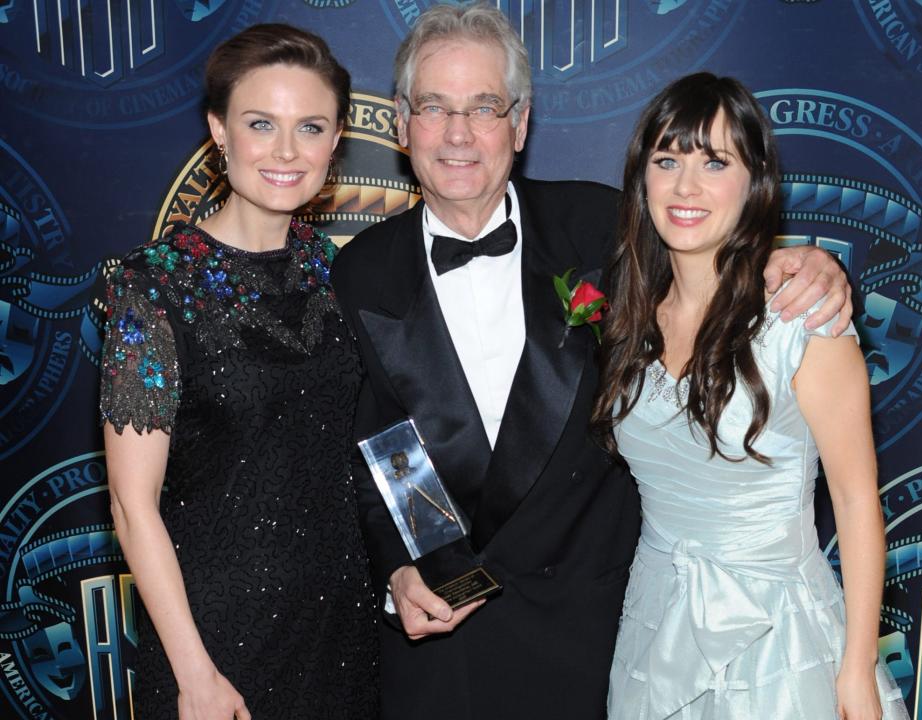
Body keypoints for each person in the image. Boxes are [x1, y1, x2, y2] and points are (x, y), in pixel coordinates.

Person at [332, 4, 852, 718]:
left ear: (518, 124)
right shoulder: (360, 269)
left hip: (597, 636)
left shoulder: (602, 226)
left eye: (484, 107)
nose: (458, 134)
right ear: (400, 122)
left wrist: (802, 259)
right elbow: (386, 441)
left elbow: (711, 255)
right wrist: (406, 563)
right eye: (433, 107)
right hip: (443, 642)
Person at [595, 72, 909, 719]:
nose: (686, 186)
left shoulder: (802, 321)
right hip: (653, 634)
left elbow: (853, 502)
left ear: (752, 182)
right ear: (641, 178)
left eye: (714, 161)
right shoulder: (627, 318)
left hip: (779, 643)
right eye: (667, 159)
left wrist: (855, 669)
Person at [99, 24, 377, 720]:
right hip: (214, 642)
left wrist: (423, 563)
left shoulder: (346, 274)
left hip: (345, 632)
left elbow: (378, 440)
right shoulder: (148, 288)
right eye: (261, 124)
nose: (286, 151)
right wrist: (195, 673)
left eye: (309, 126)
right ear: (219, 130)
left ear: (335, 139)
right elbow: (133, 507)